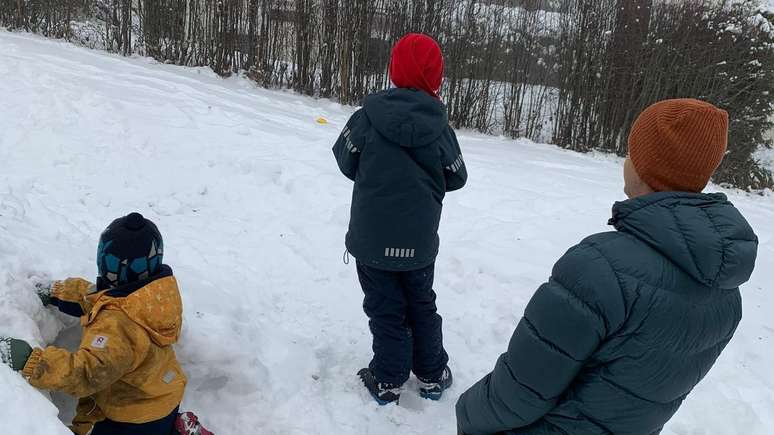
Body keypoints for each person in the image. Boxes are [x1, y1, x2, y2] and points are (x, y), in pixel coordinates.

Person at [456, 99, 759, 434]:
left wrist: (467, 412)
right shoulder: (726, 292)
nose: (626, 161)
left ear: (646, 167)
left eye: (632, 153)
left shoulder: (599, 269)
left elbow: (519, 393)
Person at [333, 33, 467, 405]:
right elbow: (457, 175)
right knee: (421, 303)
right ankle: (431, 372)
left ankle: (389, 378)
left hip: (372, 241)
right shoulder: (440, 129)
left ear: (394, 70)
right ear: (435, 77)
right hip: (419, 244)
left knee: (385, 307)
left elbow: (345, 159)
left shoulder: (366, 119)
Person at [0, 212, 207, 435]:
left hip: (130, 419)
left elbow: (87, 372)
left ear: (123, 268)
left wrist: (31, 361)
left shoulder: (118, 327)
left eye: (108, 261)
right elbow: (95, 295)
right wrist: (56, 292)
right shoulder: (151, 297)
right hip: (160, 395)